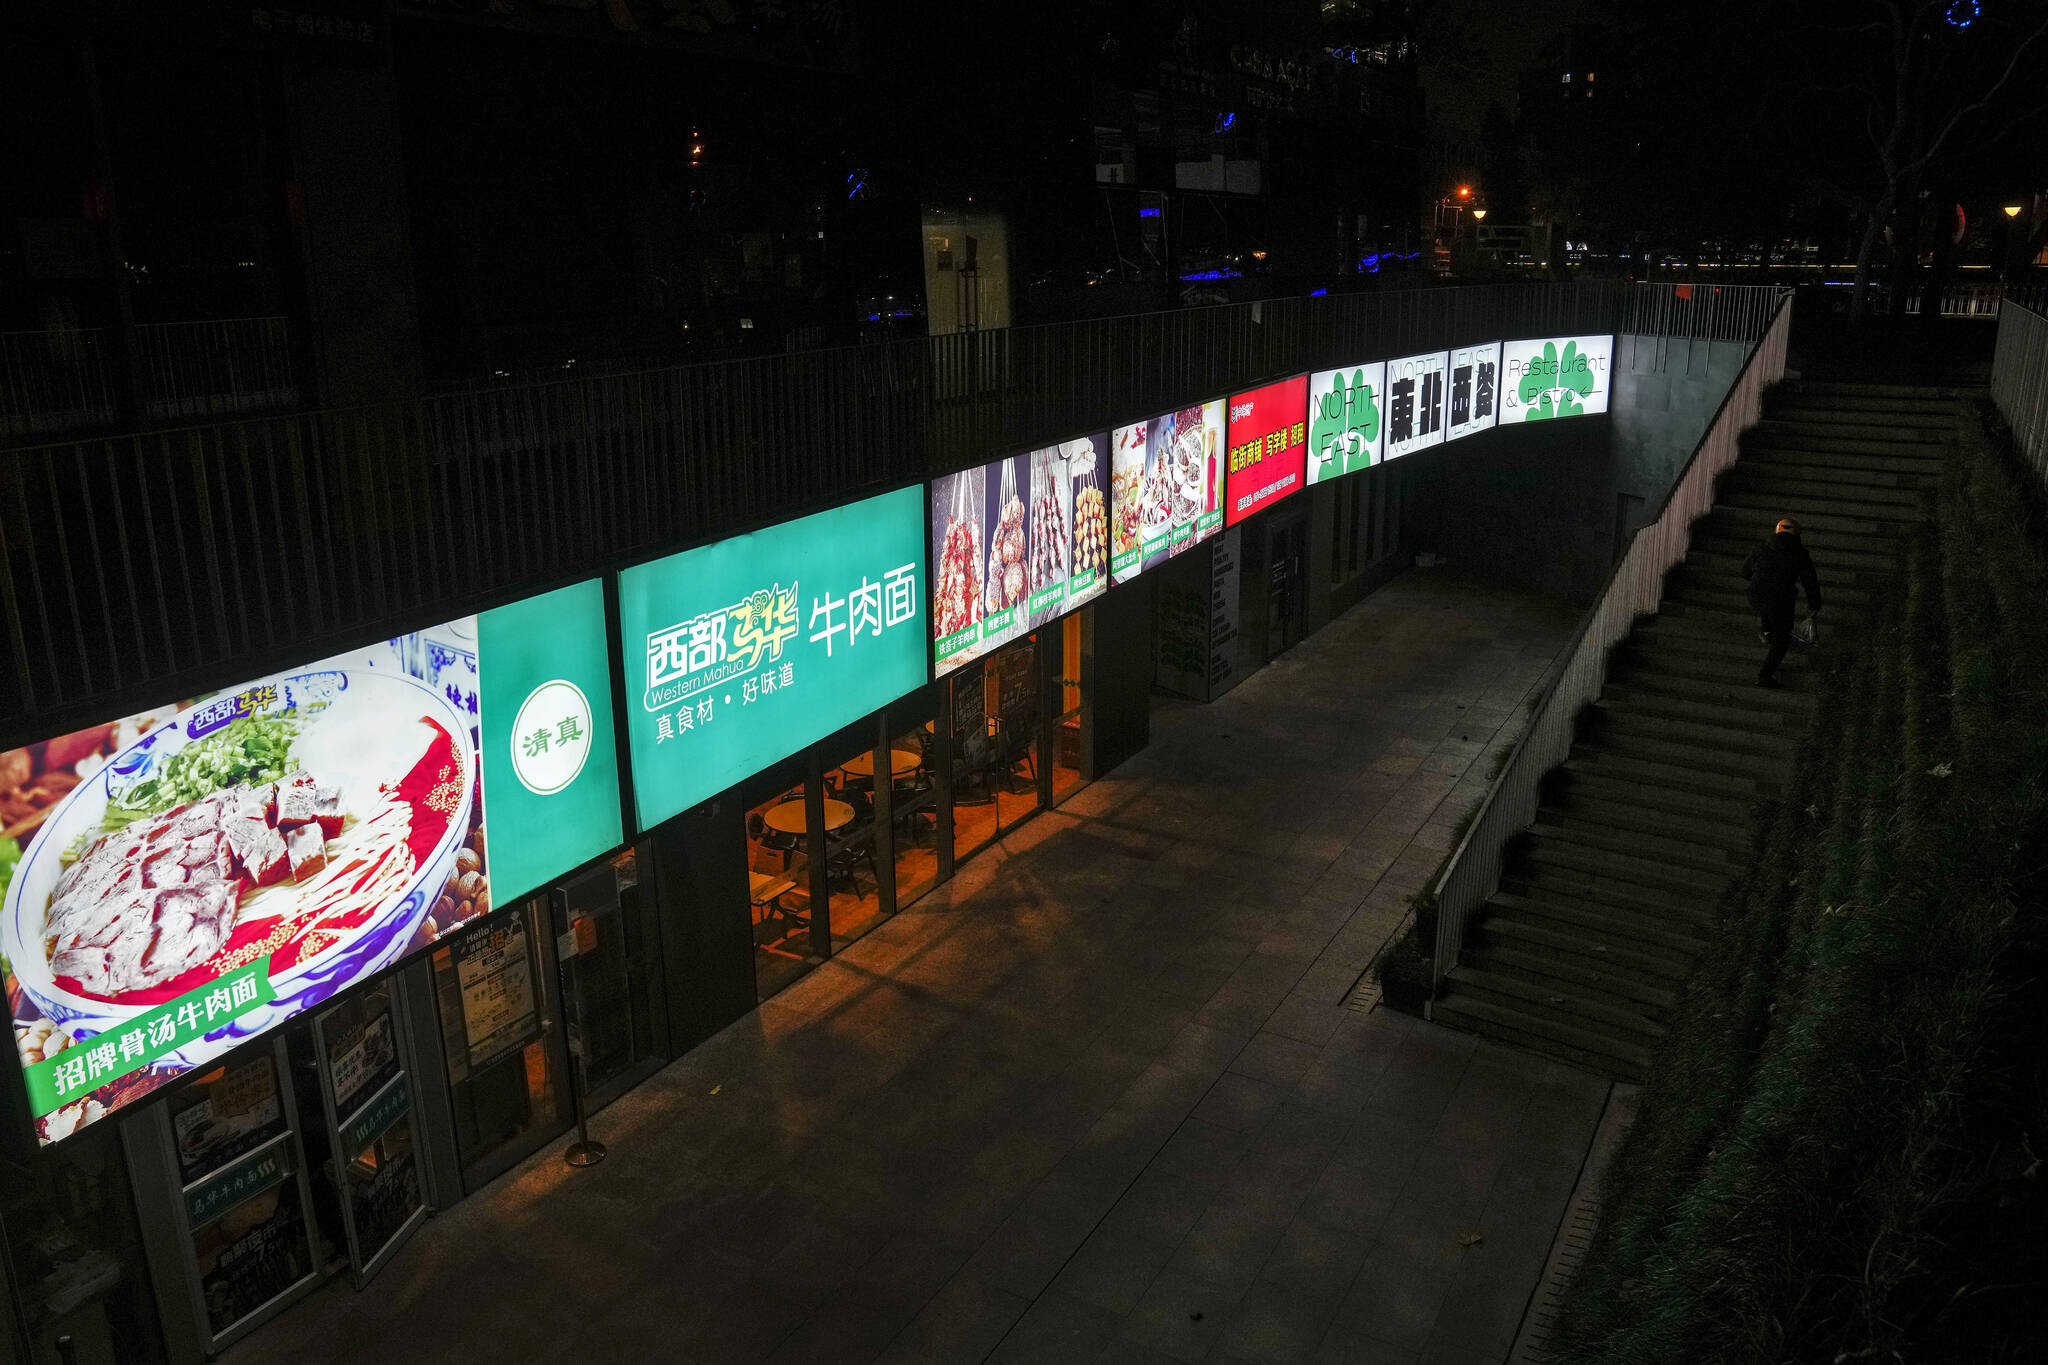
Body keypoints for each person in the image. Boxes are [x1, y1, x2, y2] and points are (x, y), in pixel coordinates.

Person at [1744, 517, 1821, 688]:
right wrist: (1814, 604)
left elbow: (1745, 572)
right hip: (1780, 599)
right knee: (1782, 640)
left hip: (1755, 594)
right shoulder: (1800, 553)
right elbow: (1810, 582)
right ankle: (1765, 675)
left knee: (1765, 607)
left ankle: (1766, 630)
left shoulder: (1762, 548)